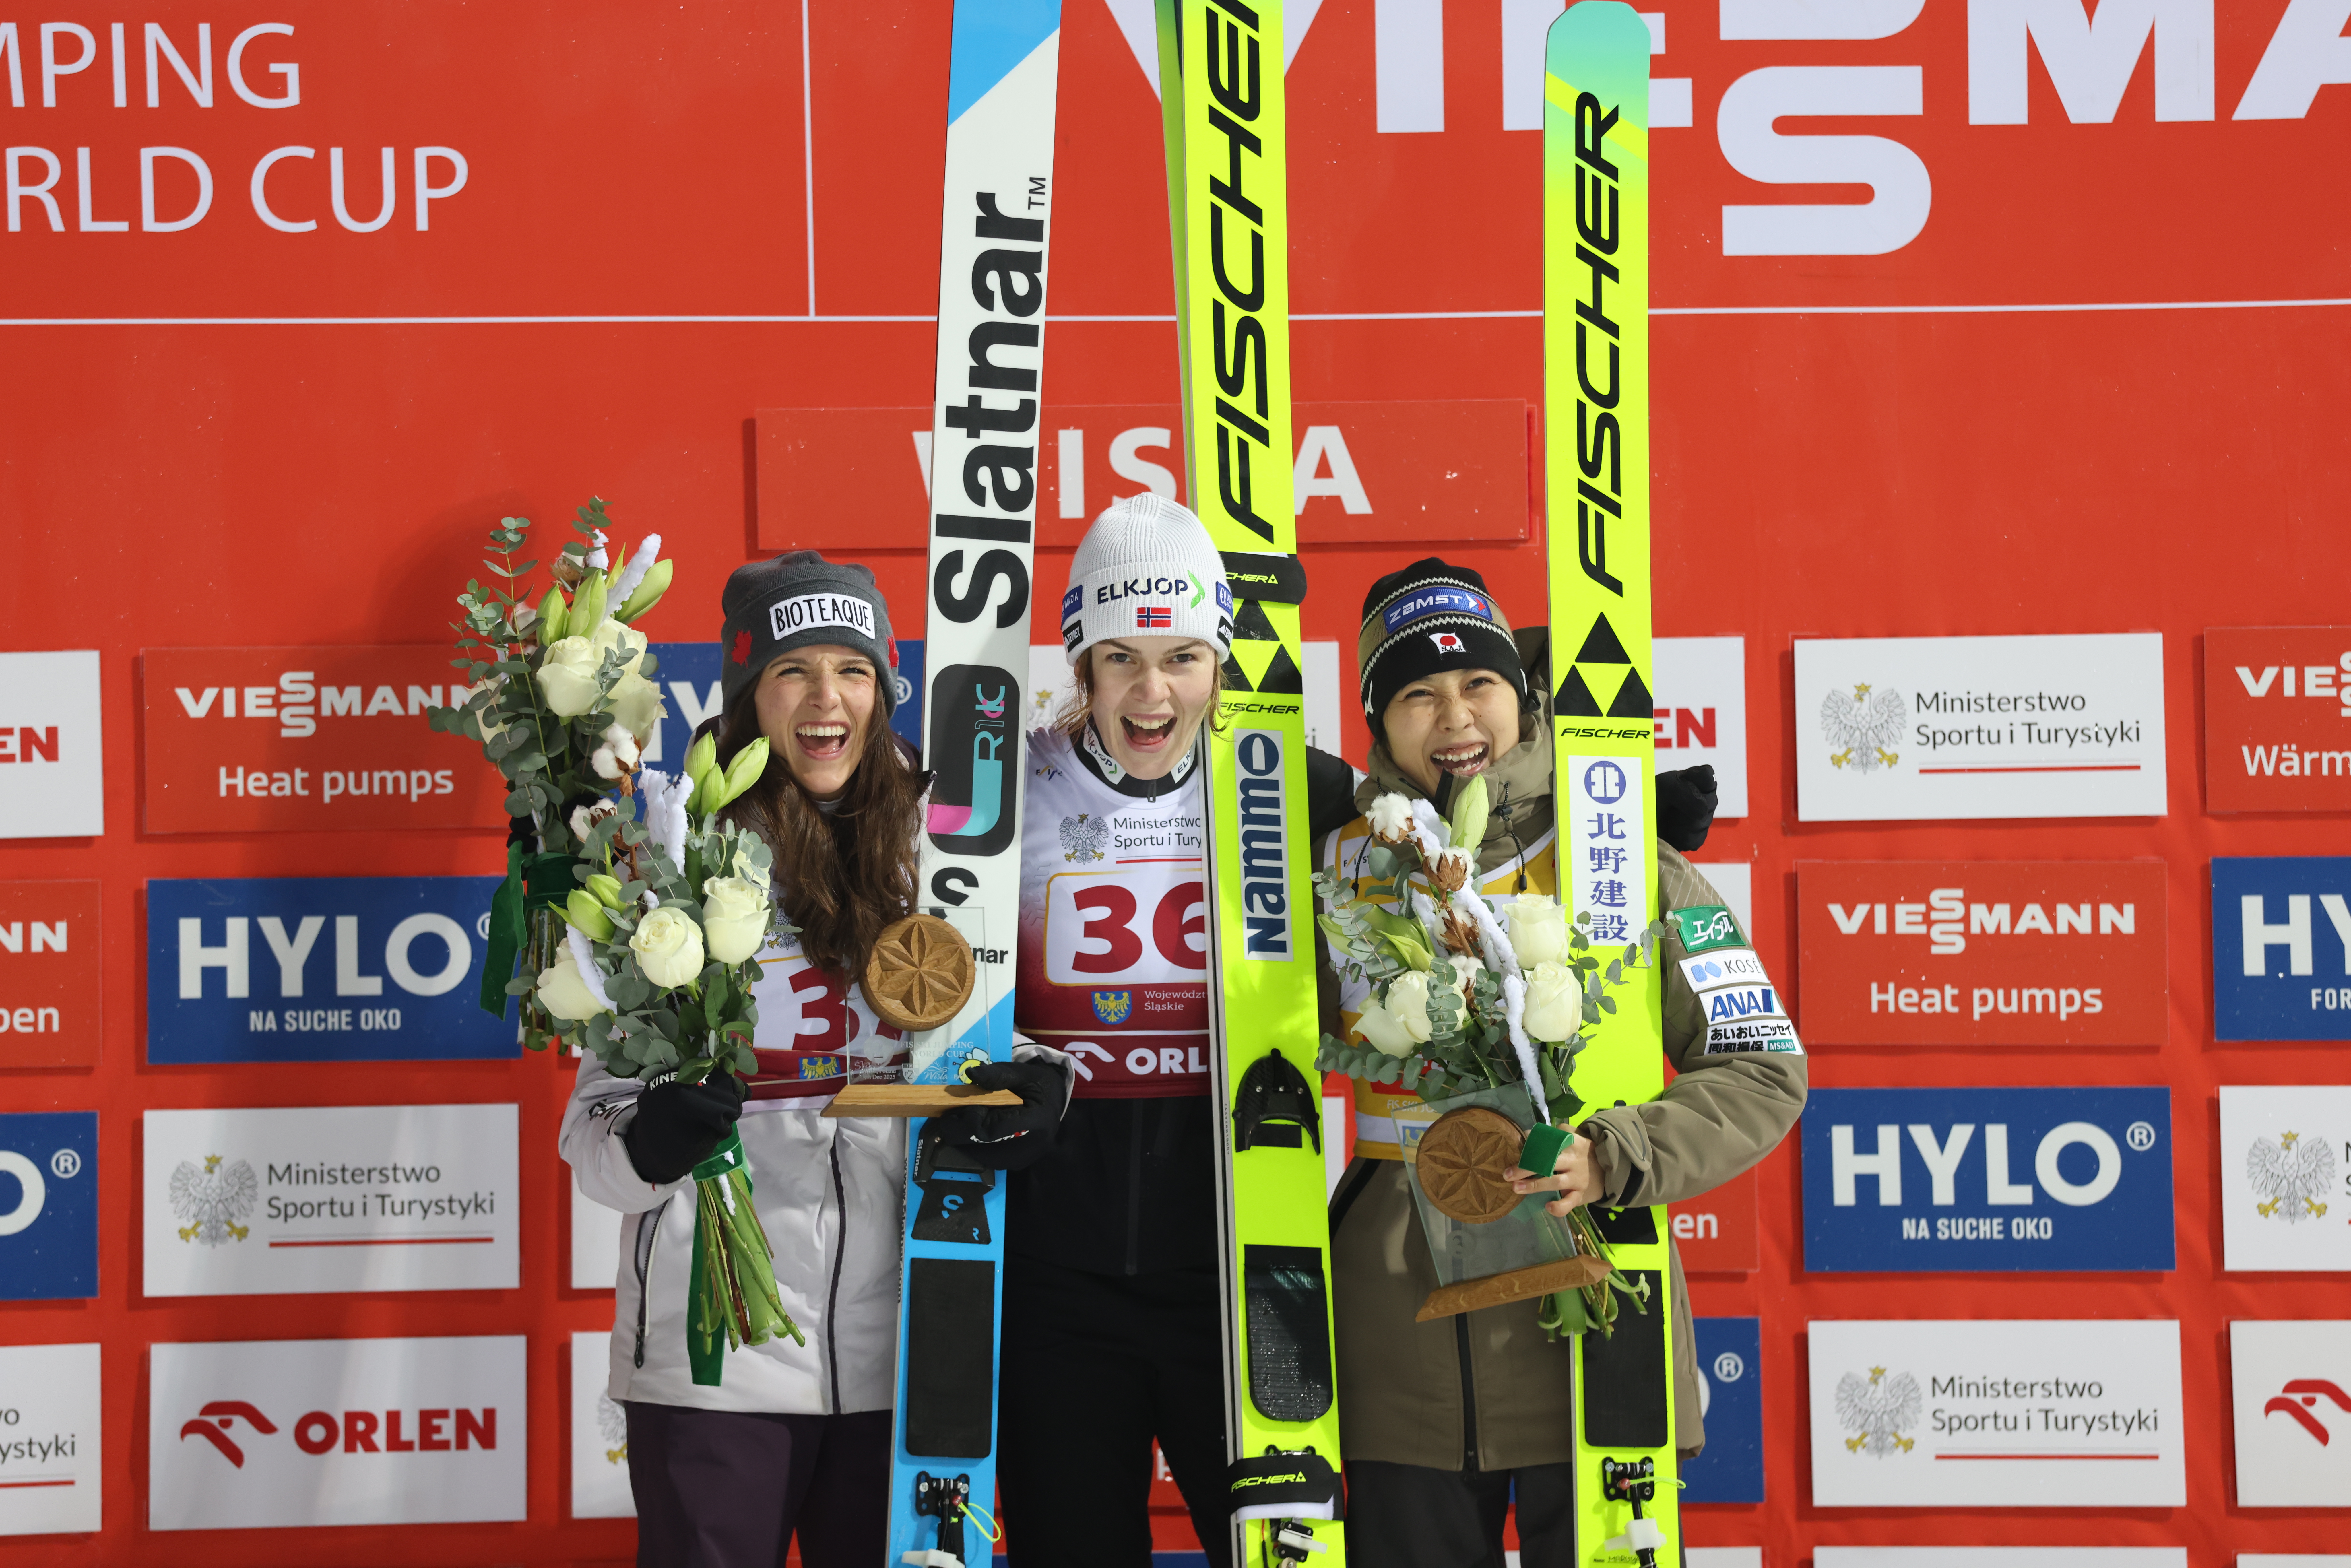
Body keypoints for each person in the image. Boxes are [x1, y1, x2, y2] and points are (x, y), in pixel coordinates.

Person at [561, 549, 1062, 1568]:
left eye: (854, 670)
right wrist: (651, 1144)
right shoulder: (668, 853)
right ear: (750, 696)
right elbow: (595, 1138)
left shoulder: (946, 849)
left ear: (885, 692)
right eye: (793, 671)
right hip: (716, 1364)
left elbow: (977, 1031)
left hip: (910, 1357)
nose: (827, 698)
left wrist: (1040, 1081)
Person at [1316, 557, 1806, 1568]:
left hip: (1593, 1316)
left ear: (1523, 695)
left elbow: (1762, 1066)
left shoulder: (1621, 856)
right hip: (1397, 1343)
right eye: (1417, 694)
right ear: (1378, 721)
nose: (1456, 717)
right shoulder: (1335, 869)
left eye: (1478, 683)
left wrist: (1619, 1151)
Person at [993, 494, 1350, 1568]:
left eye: (1184, 658)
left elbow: (1443, 852)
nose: (1154, 694)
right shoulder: (1008, 792)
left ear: (1220, 661)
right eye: (1122, 660)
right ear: (1082, 665)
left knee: (1285, 1554)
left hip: (1249, 1264)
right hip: (1057, 1277)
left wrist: (1618, 818)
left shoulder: (1299, 788)